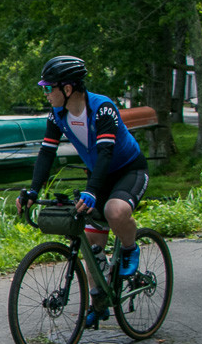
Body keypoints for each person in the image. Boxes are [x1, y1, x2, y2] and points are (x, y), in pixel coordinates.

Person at [15, 55, 149, 326]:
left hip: (128, 170)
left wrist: (92, 191)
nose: (46, 93)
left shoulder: (103, 108)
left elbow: (106, 152)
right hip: (99, 174)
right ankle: (99, 303)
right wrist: (31, 190)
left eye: (49, 87)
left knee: (114, 210)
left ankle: (130, 246)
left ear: (67, 89)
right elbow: (46, 152)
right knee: (91, 243)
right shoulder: (57, 113)